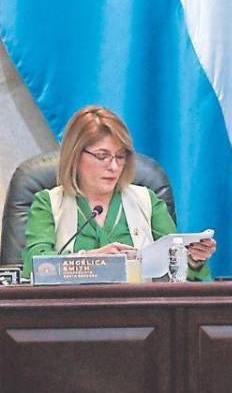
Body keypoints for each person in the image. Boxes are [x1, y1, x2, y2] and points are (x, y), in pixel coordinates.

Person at [22, 106, 216, 279]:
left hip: (141, 305)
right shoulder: (49, 203)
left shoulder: (146, 201)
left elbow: (176, 264)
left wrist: (193, 259)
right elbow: (34, 265)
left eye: (120, 156)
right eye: (102, 156)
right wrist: (89, 259)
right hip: (72, 306)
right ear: (75, 155)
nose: (114, 167)